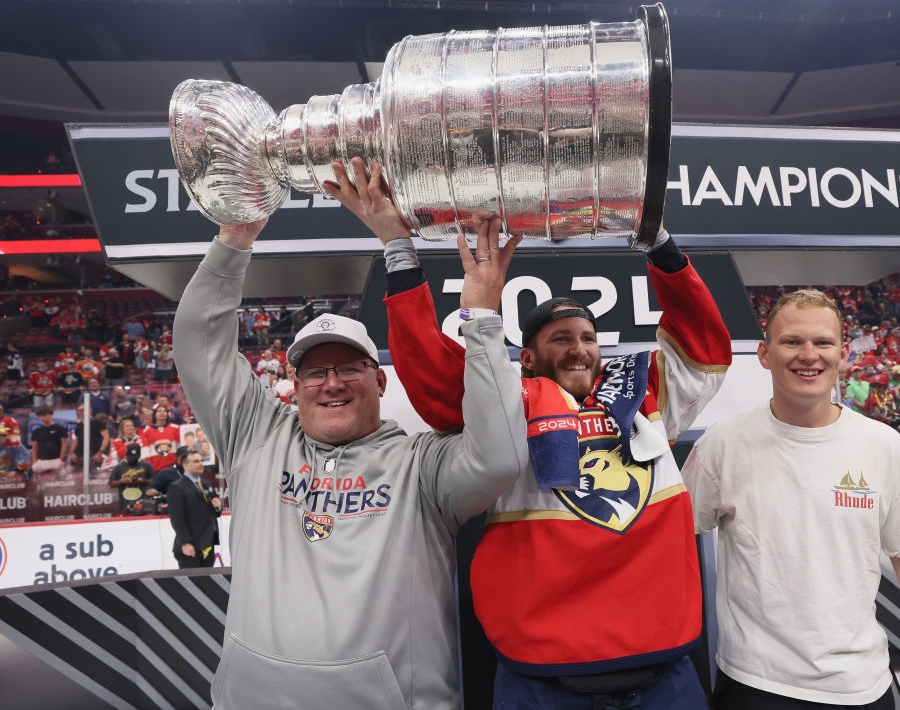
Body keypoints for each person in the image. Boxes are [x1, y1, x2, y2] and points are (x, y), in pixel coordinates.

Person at [327, 157, 732, 708]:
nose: (578, 347)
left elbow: (704, 346)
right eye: (560, 337)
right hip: (543, 681)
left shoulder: (645, 393)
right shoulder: (510, 400)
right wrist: (400, 251)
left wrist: (657, 237)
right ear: (531, 357)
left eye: (587, 336)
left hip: (665, 674)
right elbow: (432, 375)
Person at [171, 212, 528, 710]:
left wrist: (483, 321)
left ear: (380, 381)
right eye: (315, 371)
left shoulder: (420, 464)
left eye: (348, 367)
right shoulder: (254, 437)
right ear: (294, 388)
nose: (331, 383)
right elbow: (198, 345)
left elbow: (501, 457)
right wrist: (234, 239)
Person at [681, 289, 900, 709]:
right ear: (765, 354)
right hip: (755, 684)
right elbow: (670, 539)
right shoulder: (723, 445)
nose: (809, 355)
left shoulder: (883, 445)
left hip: (863, 685)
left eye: (822, 343)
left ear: (843, 354)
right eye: (792, 342)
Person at [166, 449, 220, 567]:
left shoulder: (207, 484)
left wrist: (217, 507)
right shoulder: (177, 487)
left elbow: (214, 513)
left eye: (201, 461)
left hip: (208, 544)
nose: (200, 463)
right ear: (185, 465)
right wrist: (186, 543)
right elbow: (177, 518)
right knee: (192, 584)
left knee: (207, 583)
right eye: (196, 461)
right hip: (191, 546)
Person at [109, 443, 155, 515]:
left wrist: (143, 481)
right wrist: (122, 481)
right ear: (126, 455)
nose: (133, 460)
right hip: (124, 504)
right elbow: (111, 483)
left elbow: (154, 481)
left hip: (143, 504)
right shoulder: (119, 467)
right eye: (131, 458)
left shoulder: (147, 465)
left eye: (135, 458)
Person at [69, 405, 111, 476]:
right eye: (79, 410)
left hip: (94, 456)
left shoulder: (98, 423)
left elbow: (106, 438)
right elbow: (75, 440)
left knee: (94, 478)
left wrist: (100, 452)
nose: (80, 412)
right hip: (80, 457)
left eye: (82, 410)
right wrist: (72, 453)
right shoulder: (79, 426)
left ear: (90, 410)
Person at [29, 406, 68, 477]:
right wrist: (34, 462)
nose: (42, 418)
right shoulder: (37, 431)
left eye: (44, 415)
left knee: (63, 477)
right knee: (34, 471)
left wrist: (61, 458)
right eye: (40, 416)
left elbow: (64, 444)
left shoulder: (60, 428)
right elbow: (34, 448)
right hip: (42, 461)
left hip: (56, 460)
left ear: (51, 415)